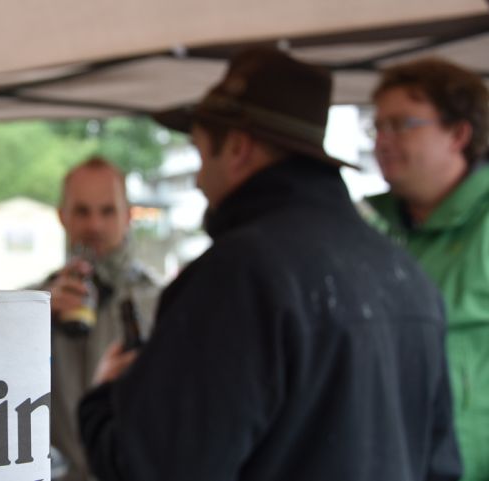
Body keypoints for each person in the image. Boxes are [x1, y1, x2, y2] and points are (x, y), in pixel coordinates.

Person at [78, 48, 461, 481]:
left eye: (204, 156)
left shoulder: (238, 276)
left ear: (239, 148)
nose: (201, 180)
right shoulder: (407, 275)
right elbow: (441, 466)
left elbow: (153, 468)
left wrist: (108, 396)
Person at [365, 58, 489, 481]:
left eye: (402, 124)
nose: (383, 140)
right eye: (378, 127)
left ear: (459, 133)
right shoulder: (368, 228)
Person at [38, 157, 161, 481]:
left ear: (128, 216)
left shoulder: (162, 303)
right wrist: (37, 319)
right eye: (82, 211)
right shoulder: (30, 304)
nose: (95, 225)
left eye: (107, 211)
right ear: (62, 216)